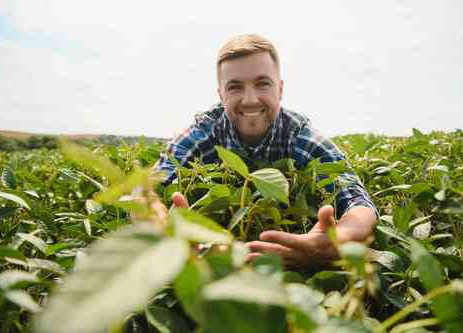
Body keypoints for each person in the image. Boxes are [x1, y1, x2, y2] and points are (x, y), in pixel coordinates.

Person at [155, 34, 377, 270]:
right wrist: (161, 225)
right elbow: (147, 192)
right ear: (221, 95)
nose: (250, 99)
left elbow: (358, 201)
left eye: (262, 83)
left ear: (280, 90)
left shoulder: (301, 138)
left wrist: (339, 237)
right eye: (235, 87)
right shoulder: (203, 134)